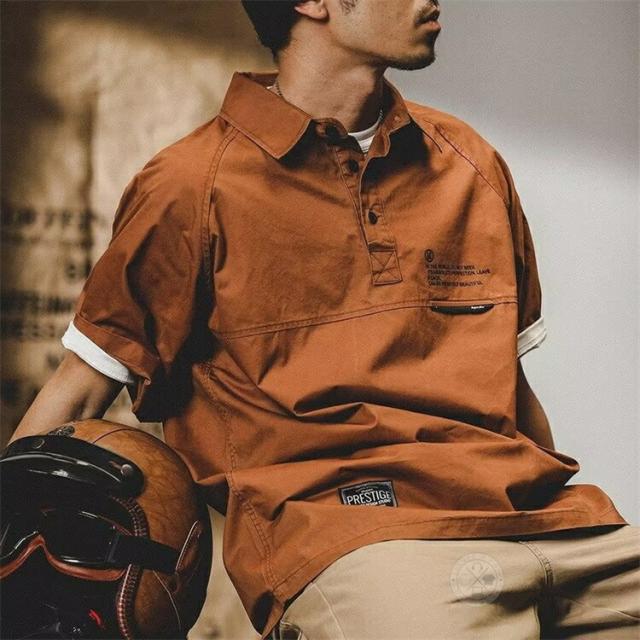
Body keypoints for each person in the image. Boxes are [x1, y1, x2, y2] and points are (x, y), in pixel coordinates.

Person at [7, 1, 638, 639]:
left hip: (552, 524)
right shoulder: (190, 185)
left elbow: (515, 397)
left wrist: (549, 500)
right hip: (357, 537)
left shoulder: (470, 161)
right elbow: (79, 389)